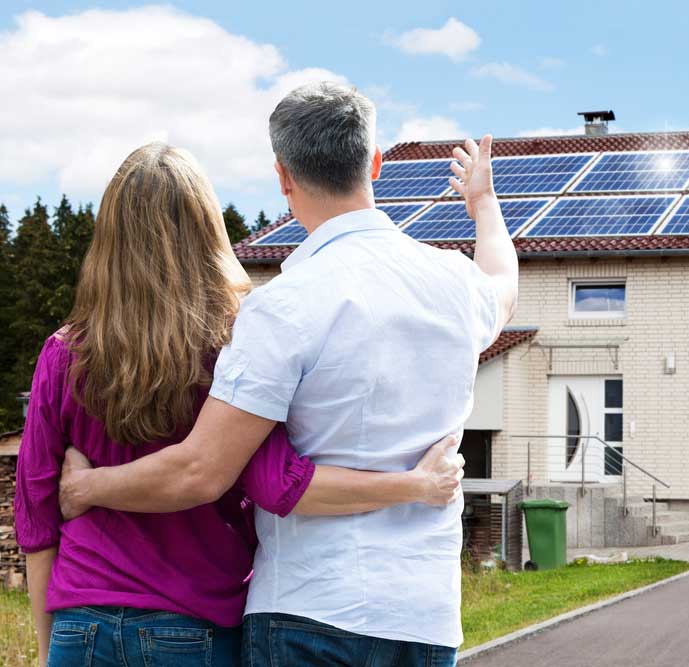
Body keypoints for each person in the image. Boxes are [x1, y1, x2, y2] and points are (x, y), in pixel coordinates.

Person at [58, 82, 517, 666]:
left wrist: (87, 487)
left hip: (308, 610)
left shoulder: (282, 306)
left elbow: (202, 470)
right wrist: (483, 204)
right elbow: (504, 285)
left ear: (283, 176)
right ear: (373, 163)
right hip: (422, 618)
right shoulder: (454, 285)